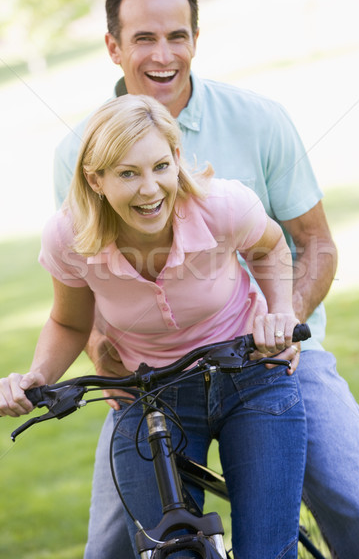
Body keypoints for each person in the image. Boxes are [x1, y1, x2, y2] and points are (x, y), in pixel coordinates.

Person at [53, 0, 359, 559]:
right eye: (143, 38)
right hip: (156, 377)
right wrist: (103, 359)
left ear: (195, 38)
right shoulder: (77, 152)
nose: (163, 54)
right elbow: (82, 280)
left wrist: (284, 321)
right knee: (110, 544)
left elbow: (315, 244)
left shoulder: (258, 118)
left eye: (177, 35)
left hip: (273, 354)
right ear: (113, 47)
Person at [0, 93, 307, 558]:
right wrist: (38, 377)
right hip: (152, 395)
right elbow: (69, 321)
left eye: (161, 166)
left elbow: (270, 249)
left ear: (177, 159)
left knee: (267, 548)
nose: (150, 189)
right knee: (165, 551)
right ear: (95, 180)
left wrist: (280, 310)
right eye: (128, 173)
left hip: (249, 375)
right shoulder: (69, 236)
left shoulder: (222, 205)